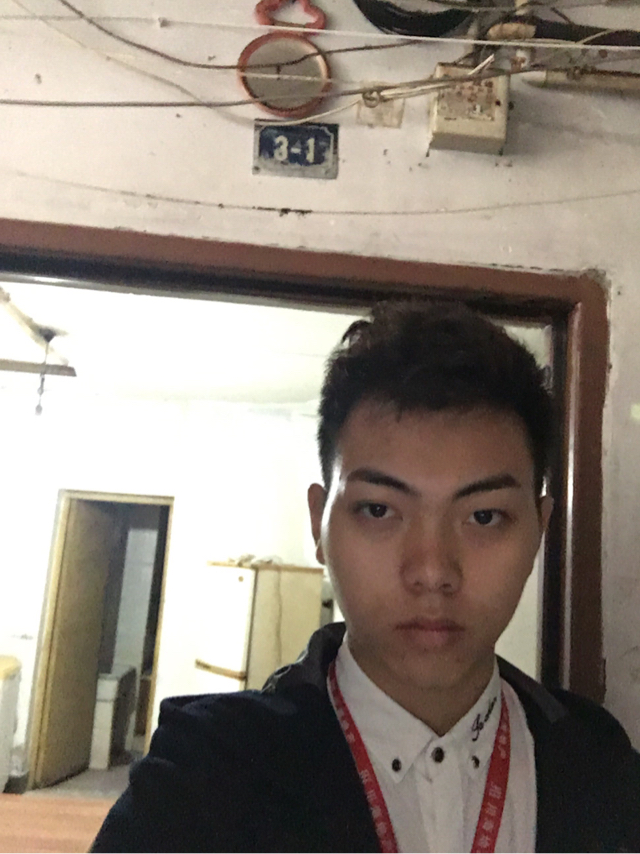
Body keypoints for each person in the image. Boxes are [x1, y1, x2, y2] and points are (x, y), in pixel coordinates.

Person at [92, 300, 640, 853]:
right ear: (318, 524)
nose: (432, 571)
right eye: (379, 510)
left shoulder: (599, 763)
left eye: (483, 517)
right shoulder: (203, 778)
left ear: (539, 531)